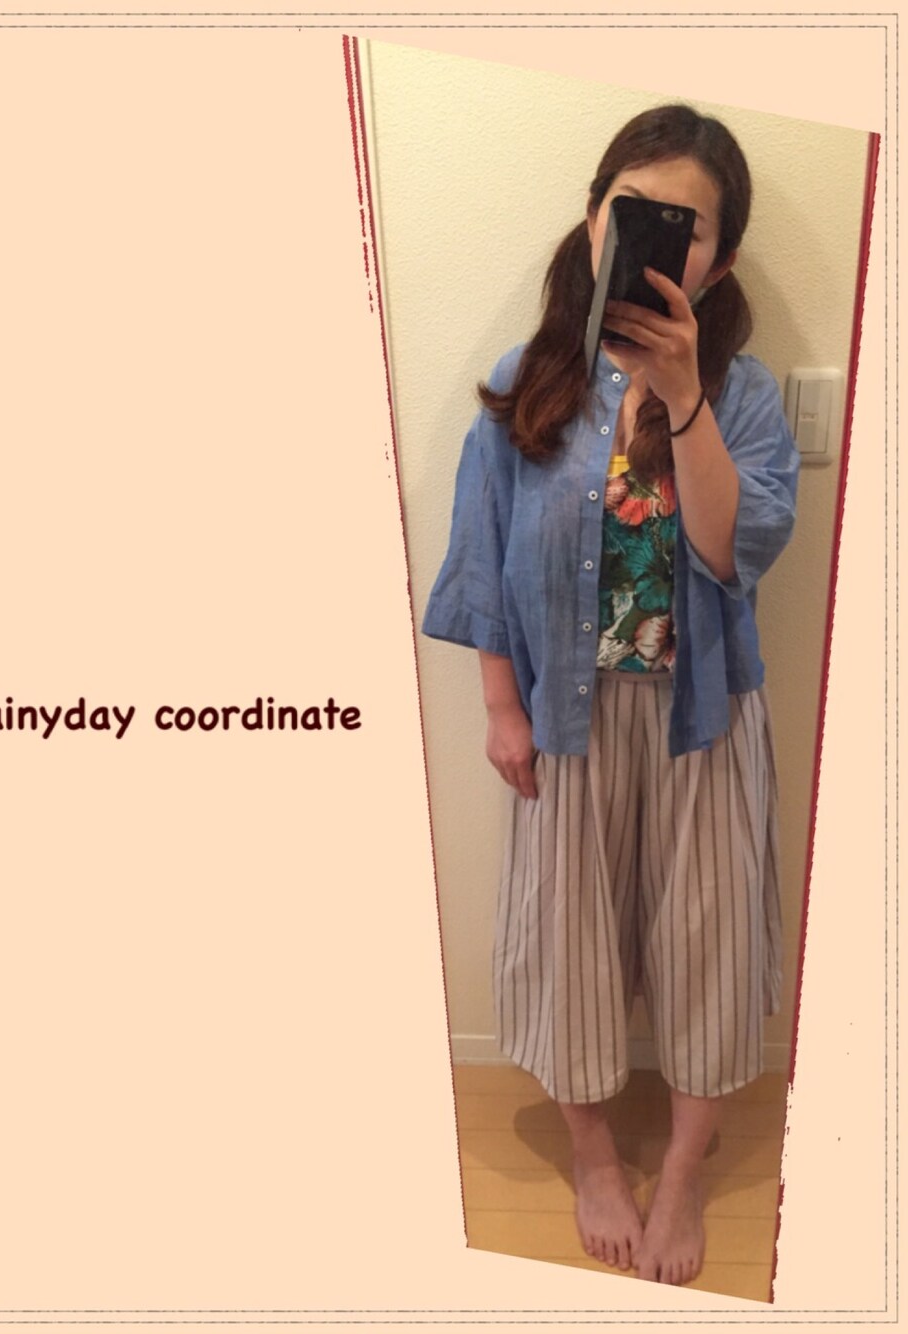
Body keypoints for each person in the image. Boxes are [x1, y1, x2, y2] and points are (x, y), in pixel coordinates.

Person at [422, 104, 799, 1287]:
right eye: (631, 210)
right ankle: (593, 1157)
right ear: (592, 219)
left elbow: (734, 550)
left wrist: (682, 398)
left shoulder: (740, 398)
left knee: (707, 946)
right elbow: (481, 560)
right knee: (568, 944)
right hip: (567, 722)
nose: (650, 239)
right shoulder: (525, 384)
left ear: (717, 262)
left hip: (701, 721)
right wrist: (501, 709)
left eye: (685, 228)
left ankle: (681, 1168)